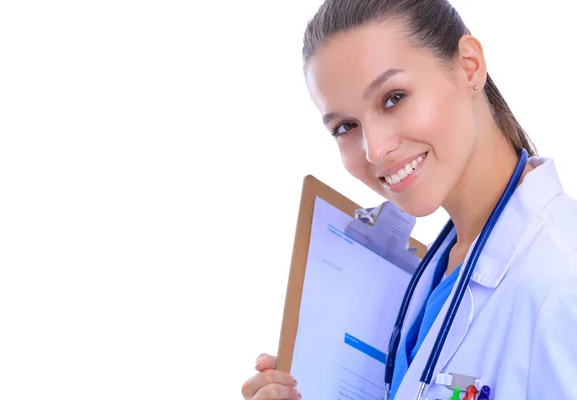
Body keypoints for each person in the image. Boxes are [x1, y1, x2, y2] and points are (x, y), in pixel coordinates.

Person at [241, 0, 577, 399]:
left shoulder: (561, 281)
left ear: (469, 65)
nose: (375, 150)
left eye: (393, 97)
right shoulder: (431, 275)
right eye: (346, 126)